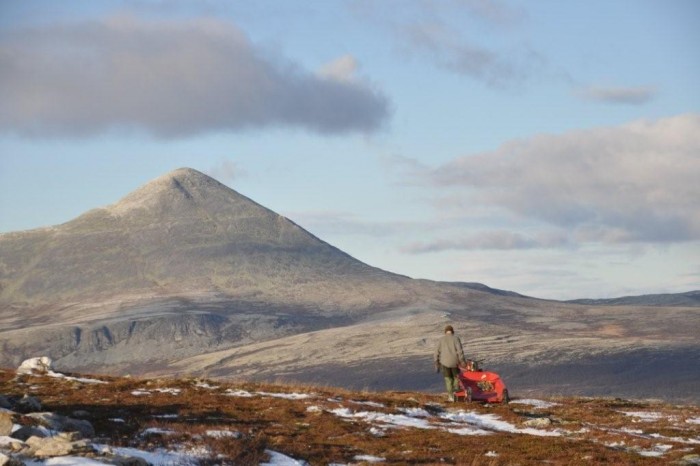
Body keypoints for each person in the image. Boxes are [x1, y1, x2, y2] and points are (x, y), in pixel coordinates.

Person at [434, 325, 466, 402]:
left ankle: (451, 396)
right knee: (456, 378)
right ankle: (456, 393)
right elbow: (460, 351)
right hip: (455, 362)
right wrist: (462, 361)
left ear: (445, 332)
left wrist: (436, 362)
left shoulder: (441, 340)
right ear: (452, 331)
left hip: (444, 363)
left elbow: (436, 352)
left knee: (448, 379)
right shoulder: (456, 339)